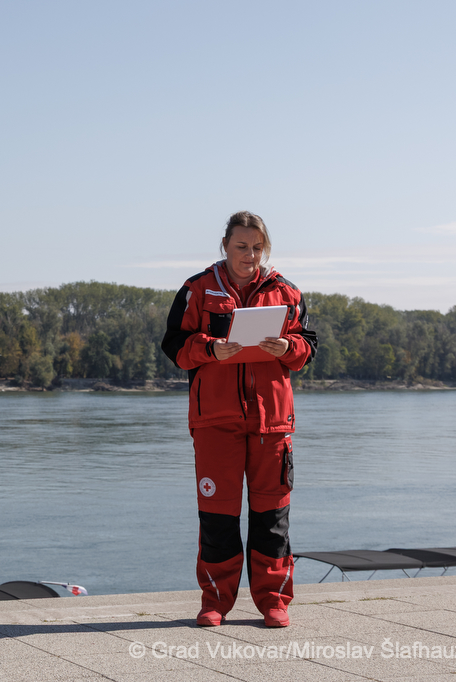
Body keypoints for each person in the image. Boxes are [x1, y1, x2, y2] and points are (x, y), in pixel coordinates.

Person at [161, 211, 316, 629]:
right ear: (225, 246)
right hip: (215, 423)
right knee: (218, 518)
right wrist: (210, 348)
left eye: (257, 247)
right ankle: (215, 602)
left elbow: (307, 347)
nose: (250, 255)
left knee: (272, 519)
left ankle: (274, 602)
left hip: (272, 425)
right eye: (241, 246)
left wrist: (287, 347)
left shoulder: (286, 291)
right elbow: (174, 347)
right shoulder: (197, 289)